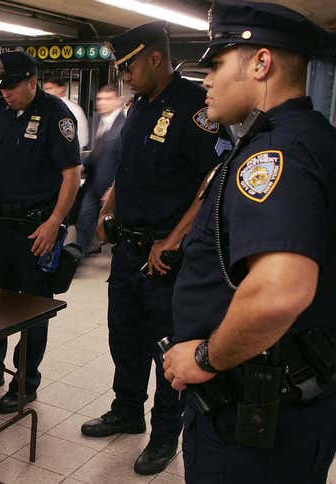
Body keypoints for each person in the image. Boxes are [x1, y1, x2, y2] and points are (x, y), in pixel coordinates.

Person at [163, 1, 336, 483]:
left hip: (258, 411)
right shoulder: (316, 139)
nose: (206, 80)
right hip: (288, 396)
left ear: (260, 62)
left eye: (216, 64)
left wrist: (205, 357)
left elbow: (280, 292)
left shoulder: (278, 153)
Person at [81, 22, 232, 475]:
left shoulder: (195, 107)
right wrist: (108, 209)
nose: (124, 74)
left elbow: (213, 180)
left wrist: (174, 238)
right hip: (127, 251)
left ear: (153, 57)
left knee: (168, 351)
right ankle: (126, 410)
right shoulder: (139, 107)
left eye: (128, 65)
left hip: (166, 259)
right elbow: (127, 170)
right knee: (123, 337)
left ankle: (165, 435)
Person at [0, 51, 81, 414]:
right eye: (2, 87)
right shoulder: (0, 111)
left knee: (32, 310)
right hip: (3, 229)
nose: (6, 93)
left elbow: (72, 175)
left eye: (12, 86)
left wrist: (55, 222)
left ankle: (25, 383)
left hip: (37, 229)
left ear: (31, 80)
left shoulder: (57, 116)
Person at [75, 84, 125, 255]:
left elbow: (123, 160)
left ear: (118, 101)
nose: (102, 102)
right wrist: (82, 166)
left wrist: (113, 187)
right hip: (94, 182)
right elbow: (98, 152)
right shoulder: (99, 121)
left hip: (111, 186)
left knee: (112, 225)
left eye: (107, 99)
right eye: (99, 99)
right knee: (84, 218)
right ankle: (79, 254)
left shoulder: (124, 126)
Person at [43, 77, 90, 149]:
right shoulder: (44, 107)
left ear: (61, 89)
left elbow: (82, 139)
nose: (46, 92)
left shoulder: (74, 110)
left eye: (49, 88)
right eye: (45, 89)